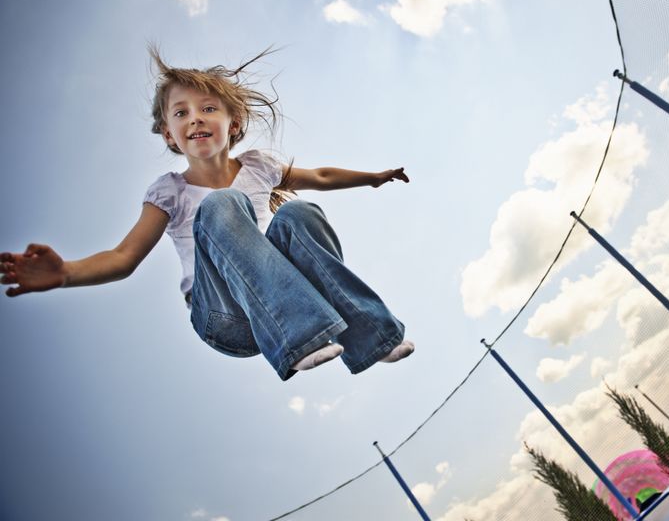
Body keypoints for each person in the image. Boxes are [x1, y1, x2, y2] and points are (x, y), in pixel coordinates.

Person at [0, 47, 414, 381]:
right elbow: (123, 258)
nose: (194, 117)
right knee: (222, 205)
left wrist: (372, 178)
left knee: (298, 213)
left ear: (233, 124)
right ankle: (298, 338)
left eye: (208, 109)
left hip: (283, 297)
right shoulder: (171, 191)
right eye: (181, 113)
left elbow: (320, 175)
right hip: (224, 316)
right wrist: (66, 272)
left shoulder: (259, 166)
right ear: (169, 134)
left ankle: (371, 337)